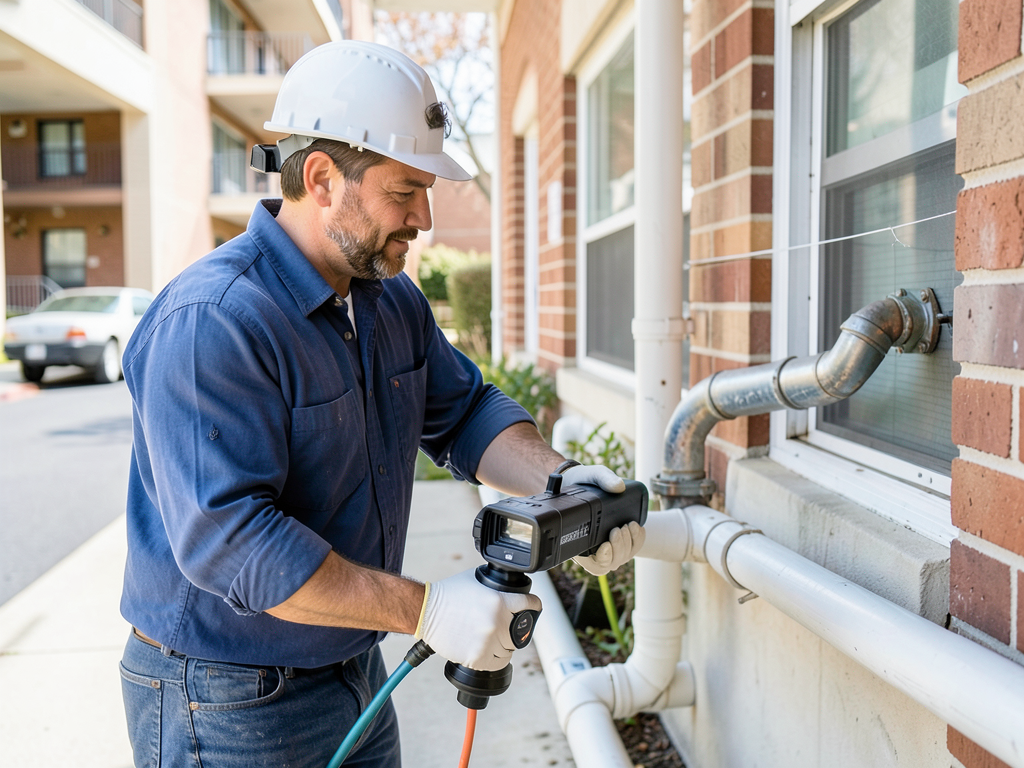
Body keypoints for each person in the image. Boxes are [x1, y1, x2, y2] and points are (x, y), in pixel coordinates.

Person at [117, 41, 644, 768]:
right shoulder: (215, 322)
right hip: (226, 695)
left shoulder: (388, 300)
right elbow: (235, 544)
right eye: (405, 191)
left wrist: (561, 482)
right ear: (322, 179)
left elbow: (464, 412)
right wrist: (427, 610)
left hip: (353, 665)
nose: (424, 216)